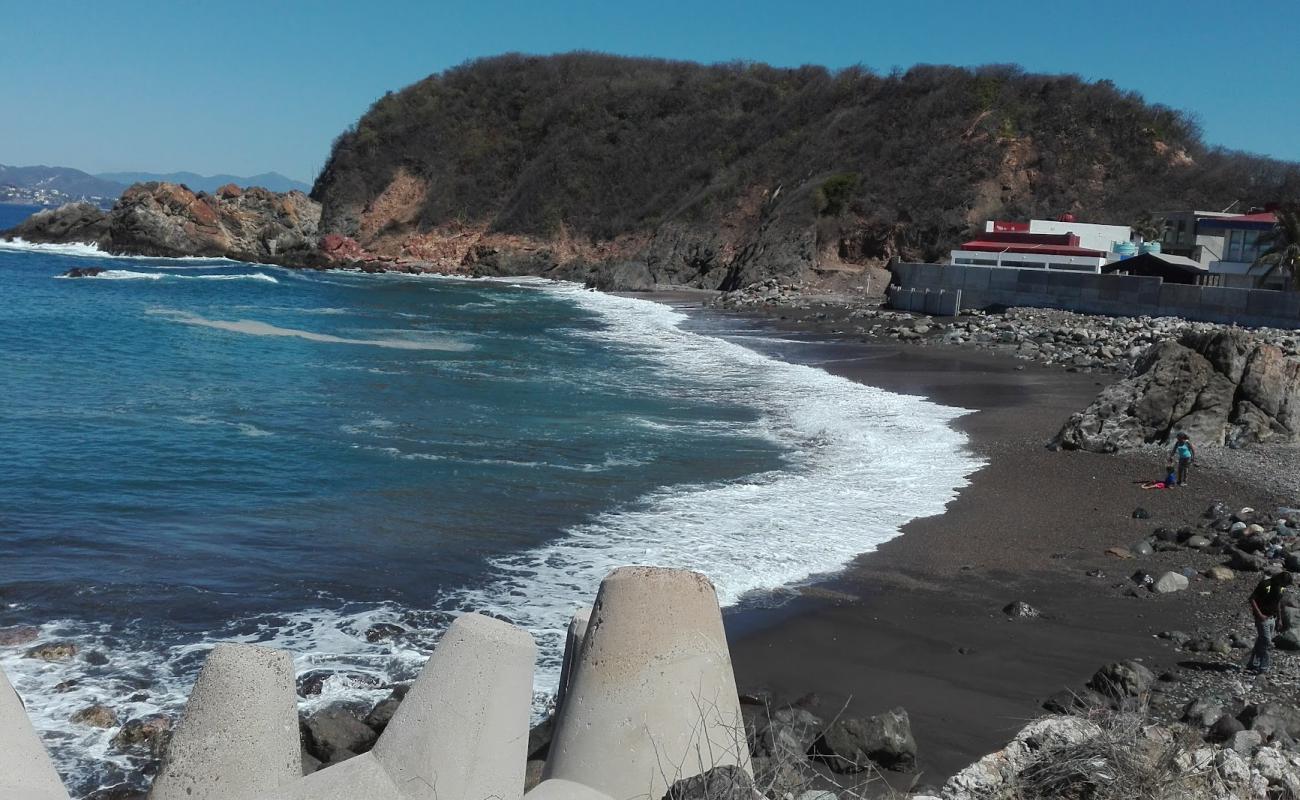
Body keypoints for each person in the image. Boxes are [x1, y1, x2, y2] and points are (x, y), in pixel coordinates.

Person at [1245, 571, 1293, 674]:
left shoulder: (1281, 588)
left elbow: (1278, 602)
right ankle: (1264, 668)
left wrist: (1279, 619)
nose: (1285, 586)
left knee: (1261, 642)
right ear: (1280, 580)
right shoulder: (1265, 584)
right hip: (1262, 618)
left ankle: (1252, 664)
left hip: (1273, 618)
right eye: (1285, 584)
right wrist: (1260, 615)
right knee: (1267, 642)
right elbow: (1252, 599)